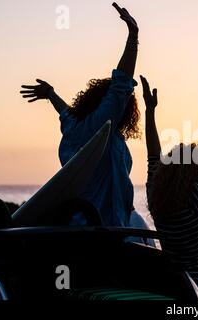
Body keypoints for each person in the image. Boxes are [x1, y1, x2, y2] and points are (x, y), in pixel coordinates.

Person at [19, 3, 147, 229]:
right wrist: (133, 37)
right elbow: (121, 85)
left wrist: (51, 94)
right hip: (101, 230)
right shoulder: (102, 125)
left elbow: (65, 113)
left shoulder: (75, 127)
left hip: (74, 225)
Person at [141, 72, 198, 300]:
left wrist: (150, 111)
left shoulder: (155, 199)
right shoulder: (197, 200)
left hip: (176, 290)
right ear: (195, 172)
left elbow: (152, 156)